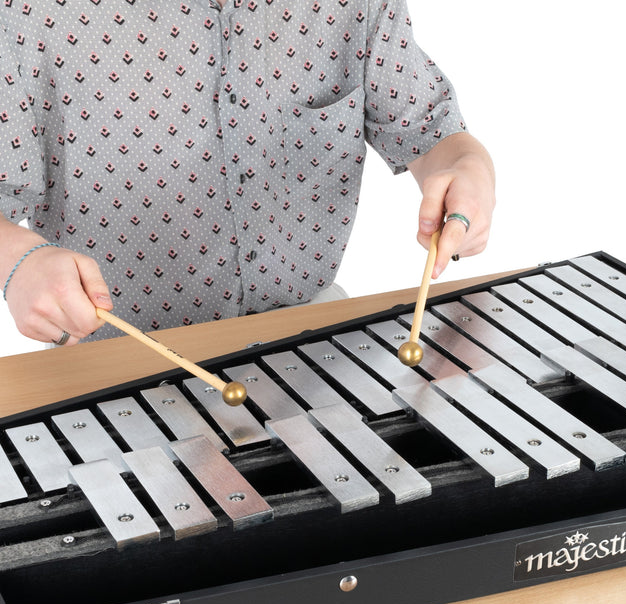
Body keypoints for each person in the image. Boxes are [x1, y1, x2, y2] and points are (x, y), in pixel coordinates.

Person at [0, 0, 495, 347]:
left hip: (312, 336)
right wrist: (18, 264)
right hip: (115, 359)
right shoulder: (28, 13)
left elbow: (430, 130)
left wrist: (467, 168)